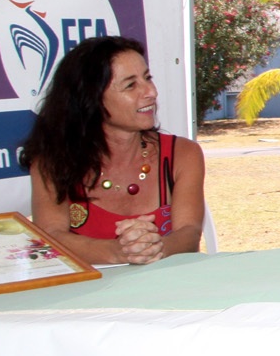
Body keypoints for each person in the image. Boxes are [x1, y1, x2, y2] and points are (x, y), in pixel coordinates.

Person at [23, 36, 205, 265]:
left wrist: (156, 248)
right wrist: (118, 252)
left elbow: (189, 233)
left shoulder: (183, 155)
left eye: (147, 78)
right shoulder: (52, 162)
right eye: (131, 85)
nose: (151, 92)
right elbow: (51, 238)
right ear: (92, 99)